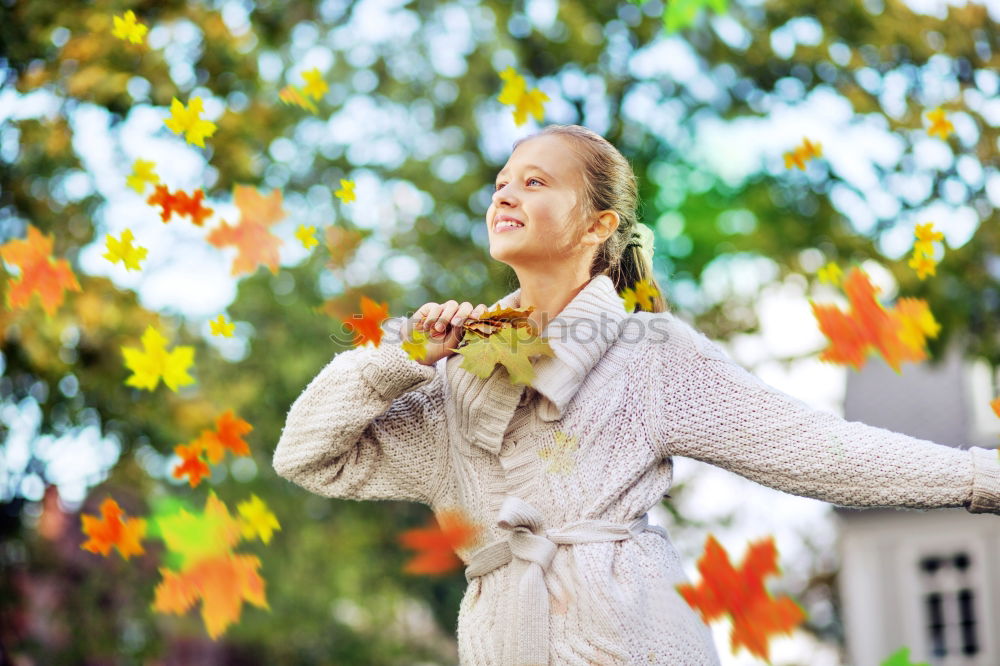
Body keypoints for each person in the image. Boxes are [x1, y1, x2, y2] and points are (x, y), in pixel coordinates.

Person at [272, 123, 1000, 665]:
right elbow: (308, 457)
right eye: (500, 181)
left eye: (535, 181)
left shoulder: (648, 354)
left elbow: (813, 448)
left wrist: (979, 477)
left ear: (599, 225)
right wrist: (404, 357)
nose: (505, 192)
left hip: (634, 636)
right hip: (500, 639)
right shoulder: (454, 375)